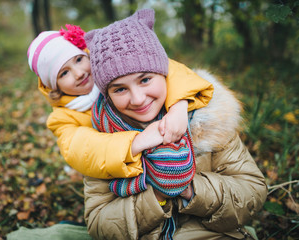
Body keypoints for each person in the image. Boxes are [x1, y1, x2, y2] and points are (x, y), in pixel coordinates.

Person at [83, 8, 268, 239]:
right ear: (107, 95)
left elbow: (253, 191)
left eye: (145, 79)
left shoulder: (207, 118)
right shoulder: (101, 139)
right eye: (120, 89)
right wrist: (157, 196)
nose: (138, 99)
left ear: (164, 73)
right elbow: (99, 223)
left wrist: (190, 190)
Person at [26, 25, 214, 180]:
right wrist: (136, 142)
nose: (79, 73)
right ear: (54, 86)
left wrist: (178, 105)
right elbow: (81, 149)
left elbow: (166, 69)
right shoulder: (62, 118)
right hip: (128, 167)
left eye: (78, 59)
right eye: (64, 73)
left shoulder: (113, 73)